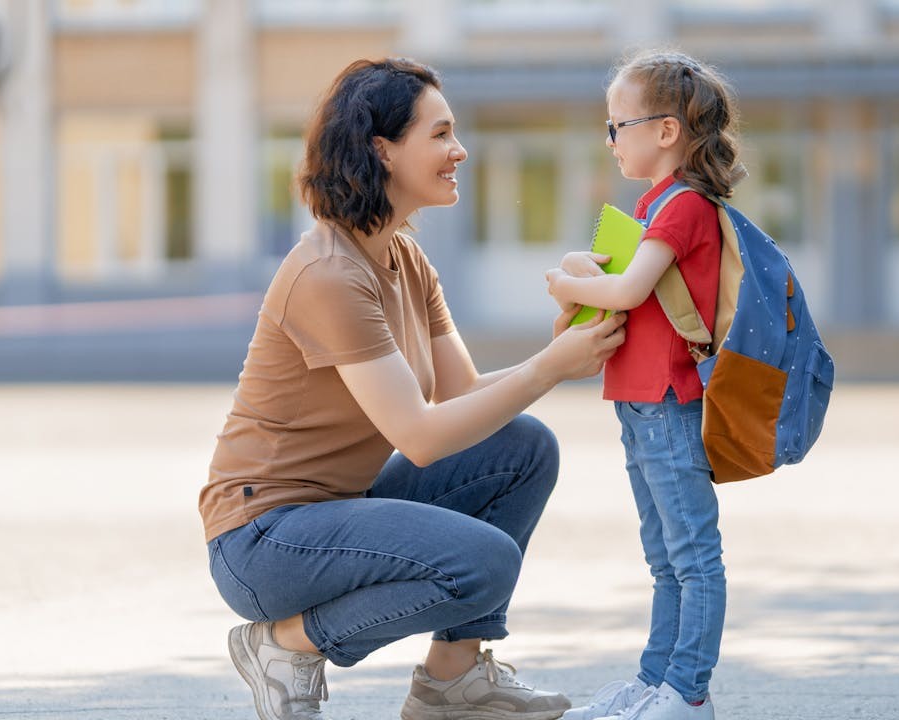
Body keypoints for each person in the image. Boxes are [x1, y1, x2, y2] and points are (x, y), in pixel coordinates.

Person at [198, 57, 627, 720]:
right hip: (264, 542)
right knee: (483, 562)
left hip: (339, 511)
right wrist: (550, 368)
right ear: (382, 150)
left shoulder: (404, 258)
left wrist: (561, 345)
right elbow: (422, 438)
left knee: (523, 447)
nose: (460, 151)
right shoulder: (329, 273)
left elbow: (460, 401)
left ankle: (451, 682)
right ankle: (284, 643)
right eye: (441, 134)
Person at [543, 50, 746, 720]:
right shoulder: (653, 202)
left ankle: (688, 692)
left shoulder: (684, 205)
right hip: (639, 401)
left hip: (668, 401)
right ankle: (657, 678)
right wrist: (583, 270)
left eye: (617, 125)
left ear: (665, 131)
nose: (610, 139)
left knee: (692, 557)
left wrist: (569, 283)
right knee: (664, 557)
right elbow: (632, 287)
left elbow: (628, 289)